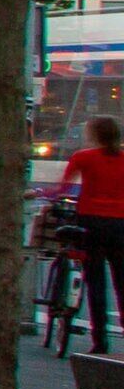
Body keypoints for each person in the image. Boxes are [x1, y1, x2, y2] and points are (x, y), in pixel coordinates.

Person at [61, 117, 124, 355]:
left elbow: (64, 187)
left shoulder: (83, 157)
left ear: (93, 135)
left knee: (95, 281)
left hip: (91, 223)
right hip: (120, 224)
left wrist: (42, 193)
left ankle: (100, 340)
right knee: (121, 281)